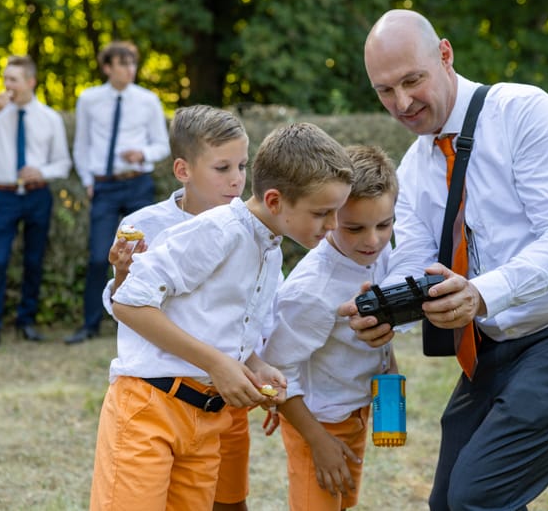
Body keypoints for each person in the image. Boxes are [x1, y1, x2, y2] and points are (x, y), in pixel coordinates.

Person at [341, 9, 548, 510]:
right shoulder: (416, 167)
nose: (401, 103)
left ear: (445, 55)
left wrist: (481, 293)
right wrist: (385, 311)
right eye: (384, 90)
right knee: (448, 504)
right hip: (504, 342)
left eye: (412, 80)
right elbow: (418, 267)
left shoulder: (525, 113)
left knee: (478, 498)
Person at [90, 122, 355, 511]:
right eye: (322, 213)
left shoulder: (271, 249)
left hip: (207, 419)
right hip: (151, 410)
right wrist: (218, 364)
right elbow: (129, 302)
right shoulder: (217, 231)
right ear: (275, 200)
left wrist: (253, 364)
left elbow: (215, 324)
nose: (333, 225)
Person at [100, 104, 268, 511]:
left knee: (225, 499)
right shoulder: (147, 223)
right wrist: (122, 273)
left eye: (242, 166)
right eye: (222, 168)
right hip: (159, 395)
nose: (236, 180)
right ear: (183, 170)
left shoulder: (253, 230)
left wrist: (259, 366)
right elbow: (127, 305)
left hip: (219, 398)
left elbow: (247, 313)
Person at [262, 145, 398, 511]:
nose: (373, 241)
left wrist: (389, 372)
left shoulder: (379, 256)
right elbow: (277, 372)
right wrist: (317, 441)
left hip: (354, 411)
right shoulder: (311, 290)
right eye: (355, 228)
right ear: (330, 216)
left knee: (343, 502)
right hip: (317, 421)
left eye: (384, 225)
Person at [0, 55, 71, 355]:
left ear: (30, 82)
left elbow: (63, 163)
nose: (7, 85)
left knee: (34, 261)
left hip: (38, 195)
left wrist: (43, 172)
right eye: (5, 78)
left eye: (14, 79)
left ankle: (26, 322)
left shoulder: (49, 118)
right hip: (5, 196)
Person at [66, 40, 170, 345]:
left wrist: (143, 154)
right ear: (107, 67)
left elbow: (162, 145)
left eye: (133, 64)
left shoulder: (148, 100)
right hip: (104, 185)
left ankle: (144, 320)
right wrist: (88, 179)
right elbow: (81, 144)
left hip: (138, 182)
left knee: (145, 255)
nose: (130, 70)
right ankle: (90, 324)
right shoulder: (88, 99)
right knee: (99, 255)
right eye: (123, 64)